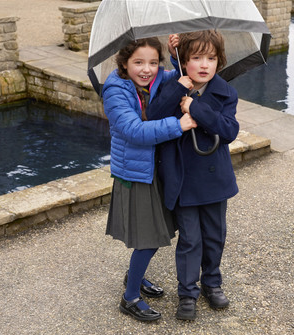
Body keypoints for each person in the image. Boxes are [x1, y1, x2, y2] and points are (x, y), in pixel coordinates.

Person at [102, 37, 197, 322]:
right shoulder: (115, 89)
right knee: (149, 238)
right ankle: (129, 298)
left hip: (155, 170)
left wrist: (175, 54)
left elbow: (180, 74)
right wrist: (177, 125)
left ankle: (135, 275)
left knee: (160, 230)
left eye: (153, 63)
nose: (147, 69)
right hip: (134, 173)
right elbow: (134, 131)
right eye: (138, 63)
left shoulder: (156, 79)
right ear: (124, 63)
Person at [147, 31, 240, 321]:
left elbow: (228, 131)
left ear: (219, 61)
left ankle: (212, 283)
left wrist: (195, 107)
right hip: (183, 180)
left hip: (214, 181)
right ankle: (187, 292)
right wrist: (178, 91)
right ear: (183, 61)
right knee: (190, 240)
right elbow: (152, 116)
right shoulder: (175, 87)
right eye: (196, 58)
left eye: (211, 58)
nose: (204, 65)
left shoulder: (226, 92)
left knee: (215, 236)